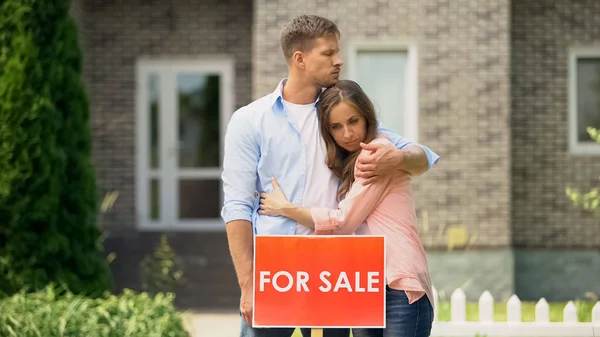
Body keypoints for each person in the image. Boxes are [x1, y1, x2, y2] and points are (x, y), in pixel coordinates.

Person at [221, 15, 439, 337]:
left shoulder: (338, 118)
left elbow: (423, 158)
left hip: (335, 269)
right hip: (275, 269)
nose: (339, 61)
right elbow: (237, 206)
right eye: (328, 53)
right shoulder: (250, 120)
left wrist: (399, 157)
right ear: (300, 59)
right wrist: (248, 282)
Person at [258, 80, 435, 337]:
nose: (347, 134)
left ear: (367, 117)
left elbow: (344, 222)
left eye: (353, 121)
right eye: (336, 127)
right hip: (366, 282)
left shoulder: (377, 153)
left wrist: (286, 208)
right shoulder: (348, 162)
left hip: (399, 284)